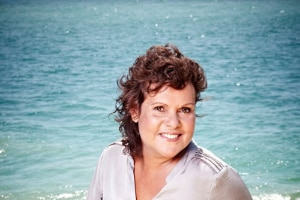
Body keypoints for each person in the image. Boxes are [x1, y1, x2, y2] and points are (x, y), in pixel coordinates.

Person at [87, 44, 252, 200]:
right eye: (160, 108)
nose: (174, 123)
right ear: (135, 111)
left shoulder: (217, 180)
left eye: (185, 109)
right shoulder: (112, 158)